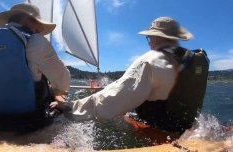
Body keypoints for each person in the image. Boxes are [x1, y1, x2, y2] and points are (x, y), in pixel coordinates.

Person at [52, 17, 209, 133]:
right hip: (188, 126)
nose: (149, 42)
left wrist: (70, 107)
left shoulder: (149, 60)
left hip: (160, 131)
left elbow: (113, 99)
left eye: (149, 38)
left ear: (155, 37)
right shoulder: (192, 59)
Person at [0, 2, 70, 131]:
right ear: (27, 20)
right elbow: (63, 79)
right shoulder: (36, 41)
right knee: (62, 104)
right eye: (38, 25)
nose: (39, 30)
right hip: (25, 121)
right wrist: (59, 92)